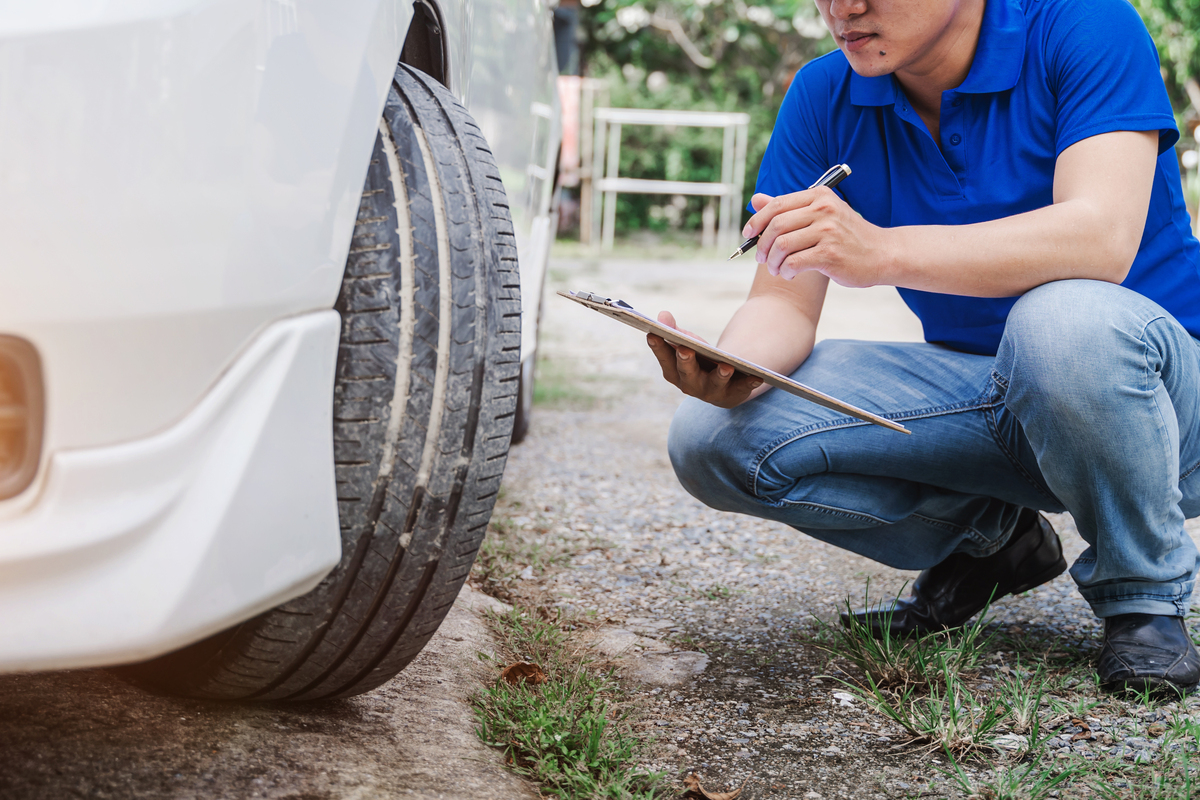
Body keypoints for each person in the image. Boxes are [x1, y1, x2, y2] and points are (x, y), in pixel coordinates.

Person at [650, 0, 1200, 695]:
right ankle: (993, 543)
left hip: (1156, 408)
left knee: (1061, 321)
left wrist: (880, 251)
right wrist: (736, 369)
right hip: (992, 400)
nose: (843, 8)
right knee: (709, 437)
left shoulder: (1084, 23)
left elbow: (1100, 241)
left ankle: (1143, 596)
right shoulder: (825, 92)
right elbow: (781, 301)